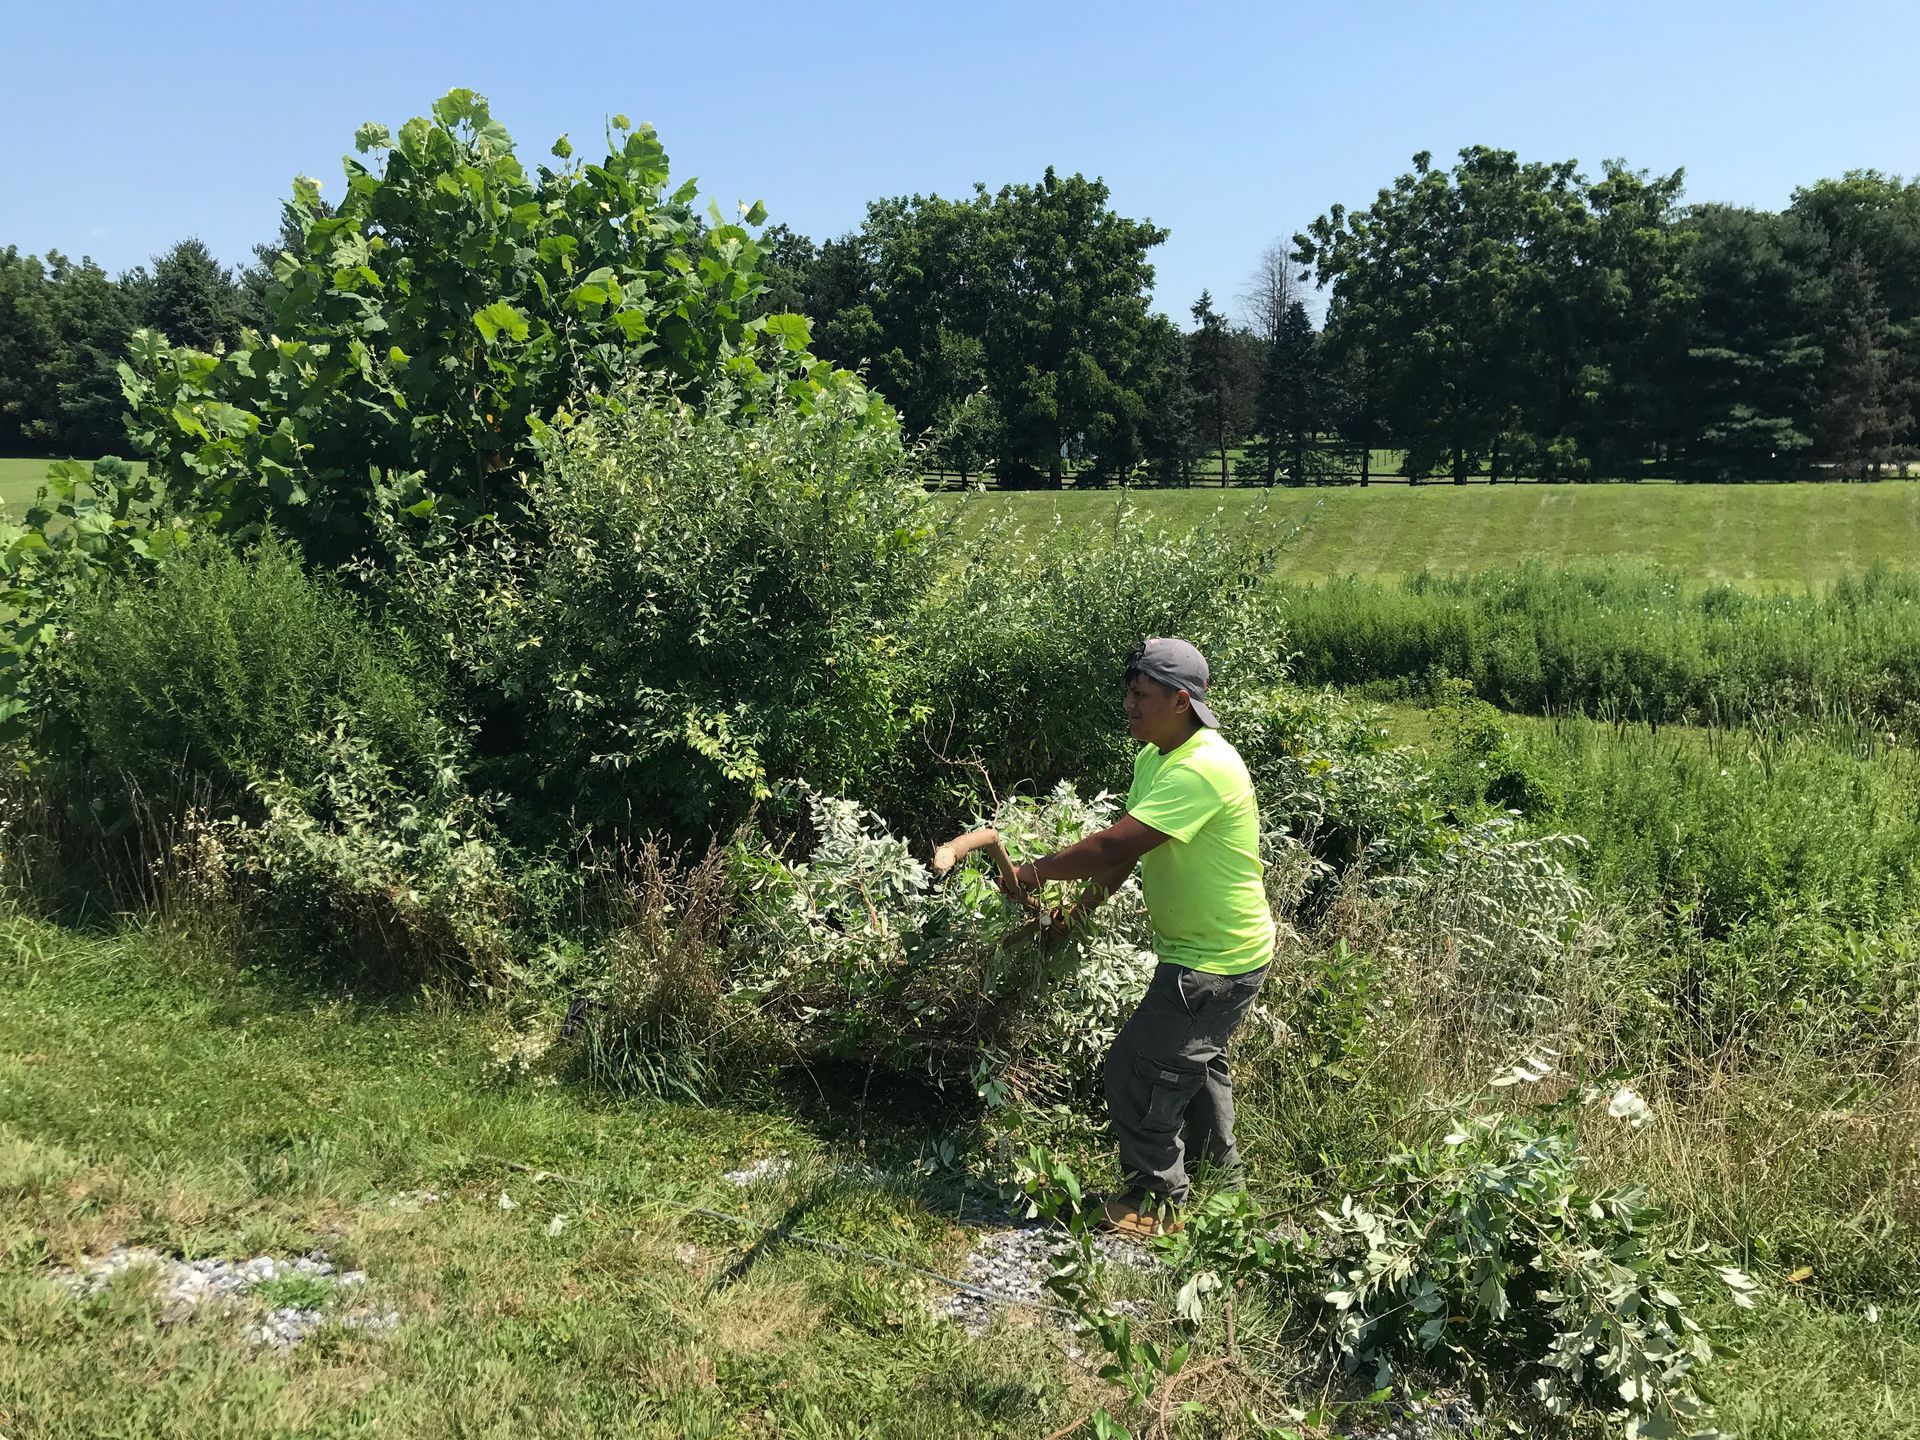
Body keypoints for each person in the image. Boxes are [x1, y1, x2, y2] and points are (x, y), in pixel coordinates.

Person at [1004, 637, 1274, 1238]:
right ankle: (1221, 1188)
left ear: (1181, 700)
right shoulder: (1157, 755)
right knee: (1195, 1067)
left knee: (1136, 1069)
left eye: (1140, 695)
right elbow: (1127, 857)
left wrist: (1033, 871)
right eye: (1128, 691)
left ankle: (1156, 1200)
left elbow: (1112, 845)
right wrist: (1076, 913)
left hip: (1216, 959)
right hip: (1210, 948)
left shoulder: (1204, 765)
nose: (1127, 704)